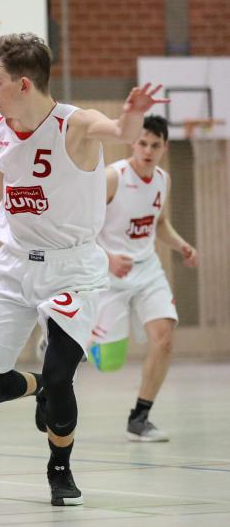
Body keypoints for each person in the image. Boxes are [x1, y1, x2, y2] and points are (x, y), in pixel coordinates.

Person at [0, 33, 167, 506]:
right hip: (15, 266)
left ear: (23, 84)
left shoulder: (73, 125)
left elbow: (120, 131)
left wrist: (133, 114)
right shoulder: (1, 128)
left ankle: (59, 466)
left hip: (72, 270)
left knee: (62, 374)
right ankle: (38, 387)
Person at [90, 115, 198, 441]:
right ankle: (72, 337)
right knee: (108, 363)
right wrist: (108, 258)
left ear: (165, 148)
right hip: (109, 272)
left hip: (147, 269)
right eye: (142, 143)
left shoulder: (163, 180)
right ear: (132, 143)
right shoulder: (113, 177)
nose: (148, 151)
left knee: (164, 338)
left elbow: (158, 223)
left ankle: (139, 419)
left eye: (155, 145)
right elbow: (81, 226)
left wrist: (181, 246)